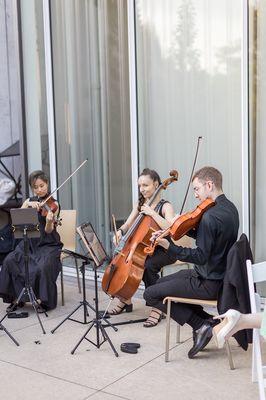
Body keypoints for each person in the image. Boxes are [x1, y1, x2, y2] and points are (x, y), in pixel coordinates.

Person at [143, 166, 239, 357]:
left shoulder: (210, 216)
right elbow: (210, 240)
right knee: (160, 283)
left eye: (197, 189)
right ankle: (209, 321)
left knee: (150, 294)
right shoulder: (230, 208)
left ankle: (200, 324)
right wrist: (183, 225)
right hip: (217, 277)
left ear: (209, 185)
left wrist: (169, 246)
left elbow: (200, 256)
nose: (195, 195)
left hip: (208, 282)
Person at [109, 168, 176, 327]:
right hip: (144, 248)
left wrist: (153, 213)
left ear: (156, 184)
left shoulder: (165, 206)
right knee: (132, 263)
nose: (142, 189)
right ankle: (125, 297)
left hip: (164, 249)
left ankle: (157, 306)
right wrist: (119, 231)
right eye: (140, 186)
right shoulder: (140, 204)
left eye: (145, 185)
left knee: (147, 266)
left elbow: (171, 228)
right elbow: (128, 223)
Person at [0, 170, 63, 312]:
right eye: (36, 187)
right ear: (32, 188)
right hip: (30, 243)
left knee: (43, 265)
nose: (39, 189)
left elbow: (48, 231)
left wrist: (48, 221)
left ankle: (45, 302)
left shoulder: (54, 205)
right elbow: (18, 219)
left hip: (48, 244)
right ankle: (17, 299)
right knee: (10, 260)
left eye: (42, 185)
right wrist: (28, 206)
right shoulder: (29, 201)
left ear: (47, 184)